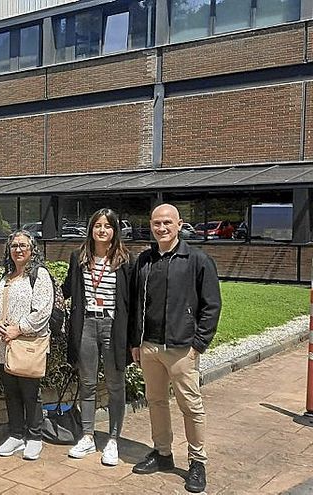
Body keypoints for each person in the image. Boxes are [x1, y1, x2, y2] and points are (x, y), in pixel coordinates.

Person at [130, 204, 221, 494]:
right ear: (151, 225)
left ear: (179, 224)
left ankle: (197, 461)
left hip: (182, 349)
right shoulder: (143, 260)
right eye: (157, 223)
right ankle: (162, 453)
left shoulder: (197, 260)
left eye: (167, 222)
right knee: (156, 402)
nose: (162, 227)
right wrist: (135, 341)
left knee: (191, 407)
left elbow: (211, 306)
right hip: (149, 347)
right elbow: (135, 305)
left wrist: (199, 344)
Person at [62, 208, 134, 466]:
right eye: (97, 225)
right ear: (90, 229)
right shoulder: (79, 257)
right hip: (87, 324)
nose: (102, 230)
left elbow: (132, 301)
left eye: (107, 226)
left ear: (115, 230)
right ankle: (88, 435)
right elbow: (68, 289)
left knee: (116, 384)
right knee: (88, 383)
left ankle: (113, 439)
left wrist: (133, 339)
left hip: (113, 326)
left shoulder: (125, 260)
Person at [0, 230, 52, 461]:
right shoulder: (5, 276)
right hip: (4, 345)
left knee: (30, 393)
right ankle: (16, 435)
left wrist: (19, 328)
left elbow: (42, 311)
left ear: (32, 249)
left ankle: (35, 437)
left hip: (27, 344)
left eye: (23, 245)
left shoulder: (39, 275)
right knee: (11, 392)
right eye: (14, 245)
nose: (18, 249)